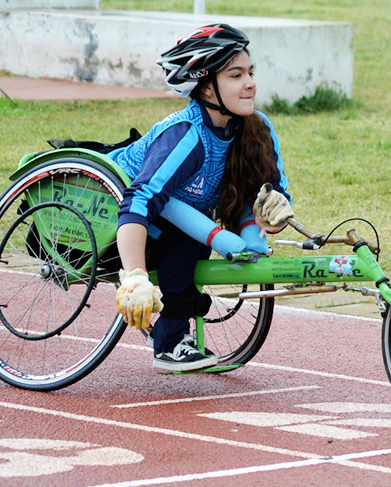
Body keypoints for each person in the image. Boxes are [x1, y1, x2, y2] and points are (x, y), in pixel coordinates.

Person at [108, 24, 294, 372]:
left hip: (186, 209)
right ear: (207, 86)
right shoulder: (186, 136)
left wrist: (272, 213)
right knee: (185, 242)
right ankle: (169, 341)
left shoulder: (257, 128)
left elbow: (269, 190)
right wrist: (133, 276)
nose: (250, 83)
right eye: (236, 75)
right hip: (122, 208)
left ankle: (167, 325)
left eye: (250, 72)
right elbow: (138, 201)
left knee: (199, 230)